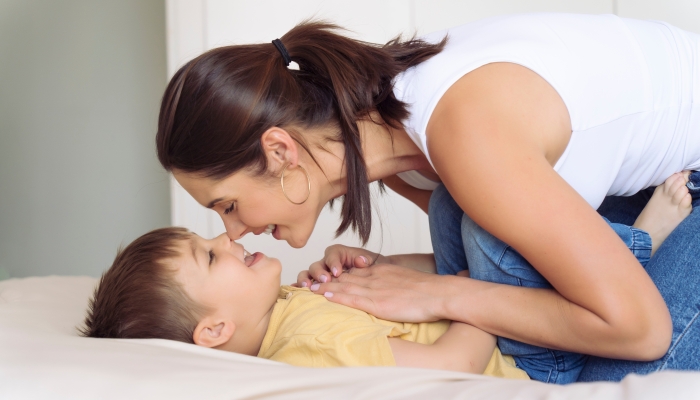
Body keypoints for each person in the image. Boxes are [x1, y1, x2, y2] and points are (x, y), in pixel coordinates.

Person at [155, 14, 700, 383]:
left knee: (600, 383)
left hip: (684, 183)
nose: (232, 232)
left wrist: (438, 295)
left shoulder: (465, 137)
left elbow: (642, 330)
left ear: (279, 152)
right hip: (649, 189)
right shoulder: (399, 155)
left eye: (226, 205)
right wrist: (390, 274)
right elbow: (512, 264)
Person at [80, 227, 529, 379]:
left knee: (461, 222)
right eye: (211, 255)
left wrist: (380, 265)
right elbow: (452, 367)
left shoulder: (286, 305)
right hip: (526, 360)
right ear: (215, 330)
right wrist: (471, 293)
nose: (226, 236)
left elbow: (419, 288)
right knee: (479, 231)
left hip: (504, 326)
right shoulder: (313, 343)